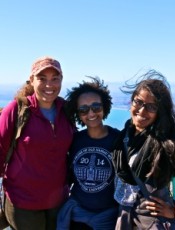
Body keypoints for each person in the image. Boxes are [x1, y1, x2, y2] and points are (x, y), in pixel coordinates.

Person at [112, 69, 175, 229]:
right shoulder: (126, 134)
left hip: (153, 223)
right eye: (138, 102)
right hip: (126, 217)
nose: (142, 111)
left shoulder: (166, 144)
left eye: (151, 107)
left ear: (160, 112)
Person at [0, 56, 75, 230]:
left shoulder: (66, 110)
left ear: (61, 81)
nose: (49, 85)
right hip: (22, 203)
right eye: (42, 78)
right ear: (31, 80)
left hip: (58, 201)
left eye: (55, 79)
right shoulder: (17, 109)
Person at [57, 77, 120, 230]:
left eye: (96, 107)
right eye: (84, 109)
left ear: (104, 107)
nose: (91, 113)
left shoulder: (118, 139)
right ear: (78, 114)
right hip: (77, 216)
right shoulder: (74, 140)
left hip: (108, 218)